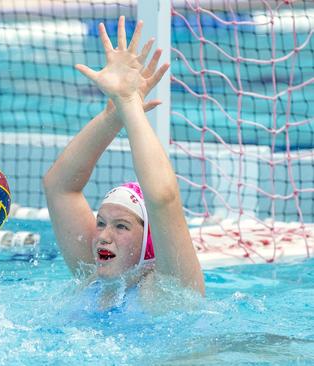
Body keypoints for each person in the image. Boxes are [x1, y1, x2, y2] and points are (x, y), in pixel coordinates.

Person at [43, 16, 204, 311]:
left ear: (149, 243)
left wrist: (130, 102)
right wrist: (112, 116)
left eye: (121, 226)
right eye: (101, 222)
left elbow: (163, 198)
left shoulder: (171, 290)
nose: (104, 235)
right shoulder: (91, 275)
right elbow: (59, 187)